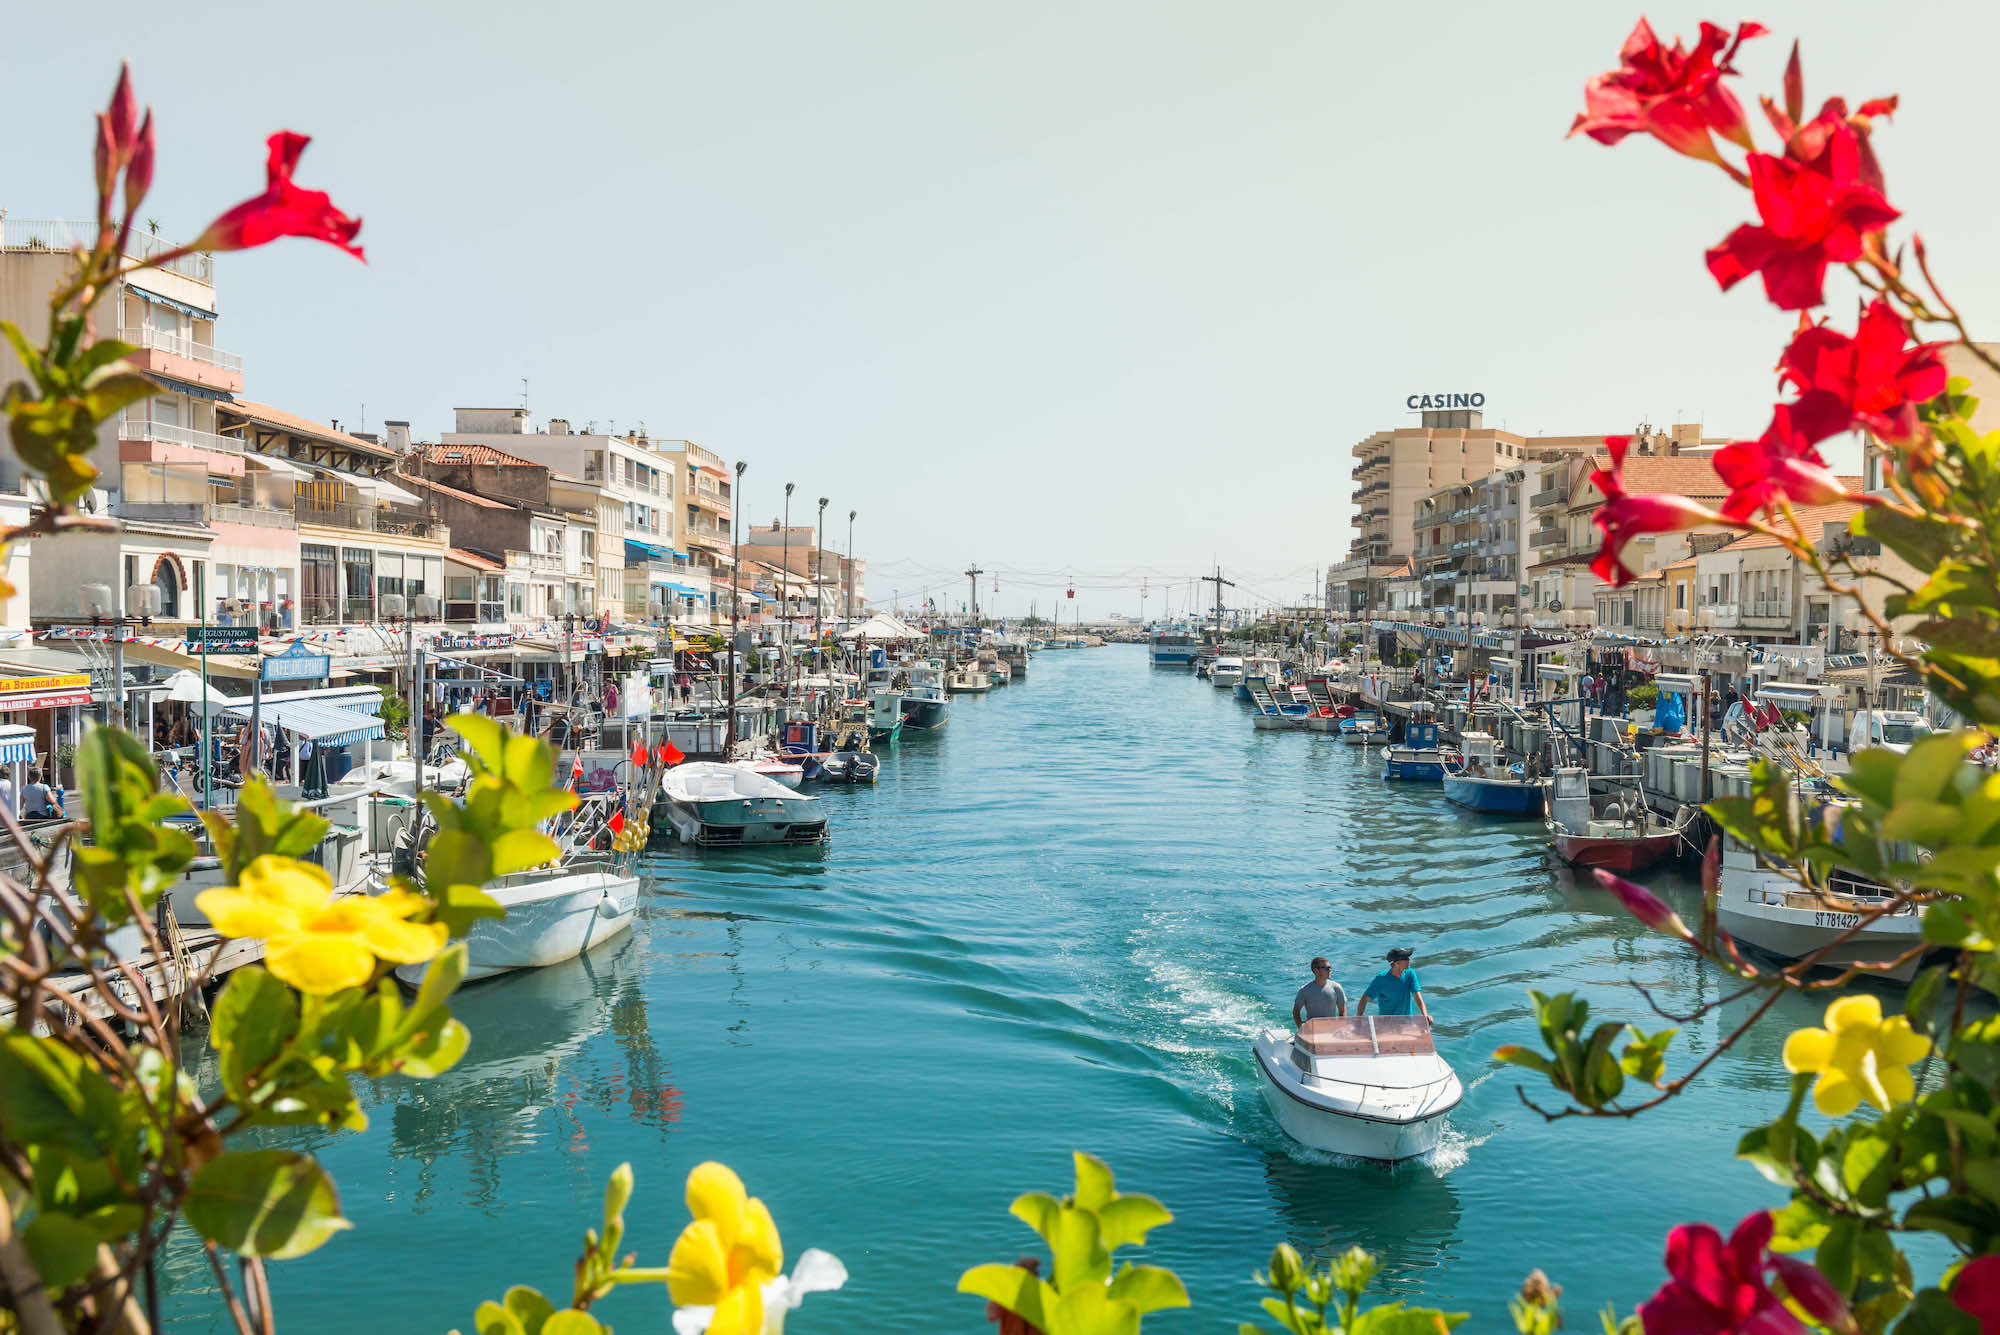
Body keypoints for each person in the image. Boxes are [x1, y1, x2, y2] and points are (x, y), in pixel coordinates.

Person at [1356, 947, 1430, 1021]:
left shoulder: (1410, 974)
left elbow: (1417, 996)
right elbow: (1364, 999)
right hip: (1386, 1024)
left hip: (1406, 1023)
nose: (1409, 960)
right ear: (1397, 963)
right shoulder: (1381, 979)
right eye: (1406, 958)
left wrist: (1425, 1015)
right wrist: (1359, 1020)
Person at [1291, 957, 1348, 1027]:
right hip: (1313, 1032)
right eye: (1326, 968)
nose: (1330, 970)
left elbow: (1342, 1011)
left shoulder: (1336, 987)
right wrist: (1301, 1027)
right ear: (1316, 971)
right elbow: (1296, 1012)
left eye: (1330, 968)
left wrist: (1341, 1027)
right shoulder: (1304, 990)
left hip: (1331, 1030)